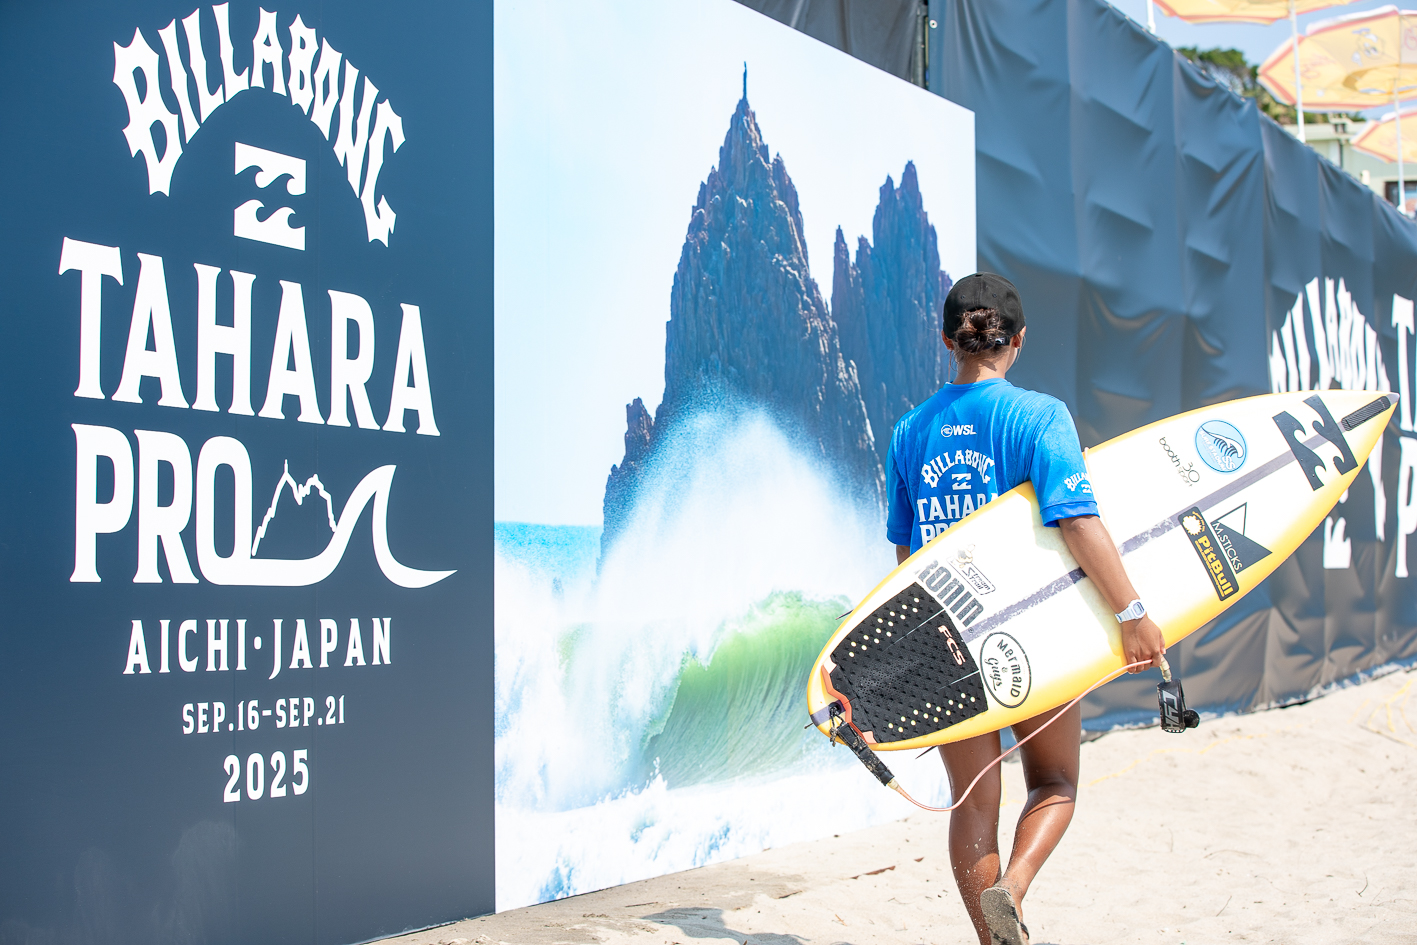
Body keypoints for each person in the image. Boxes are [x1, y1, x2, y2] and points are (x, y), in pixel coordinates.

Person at [884, 273, 1166, 945]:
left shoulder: (908, 432)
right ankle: (1010, 889)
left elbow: (905, 557)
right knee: (1055, 781)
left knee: (973, 801)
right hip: (1032, 632)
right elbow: (1077, 520)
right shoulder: (1039, 417)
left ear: (946, 340)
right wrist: (1131, 613)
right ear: (1018, 340)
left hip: (946, 639)